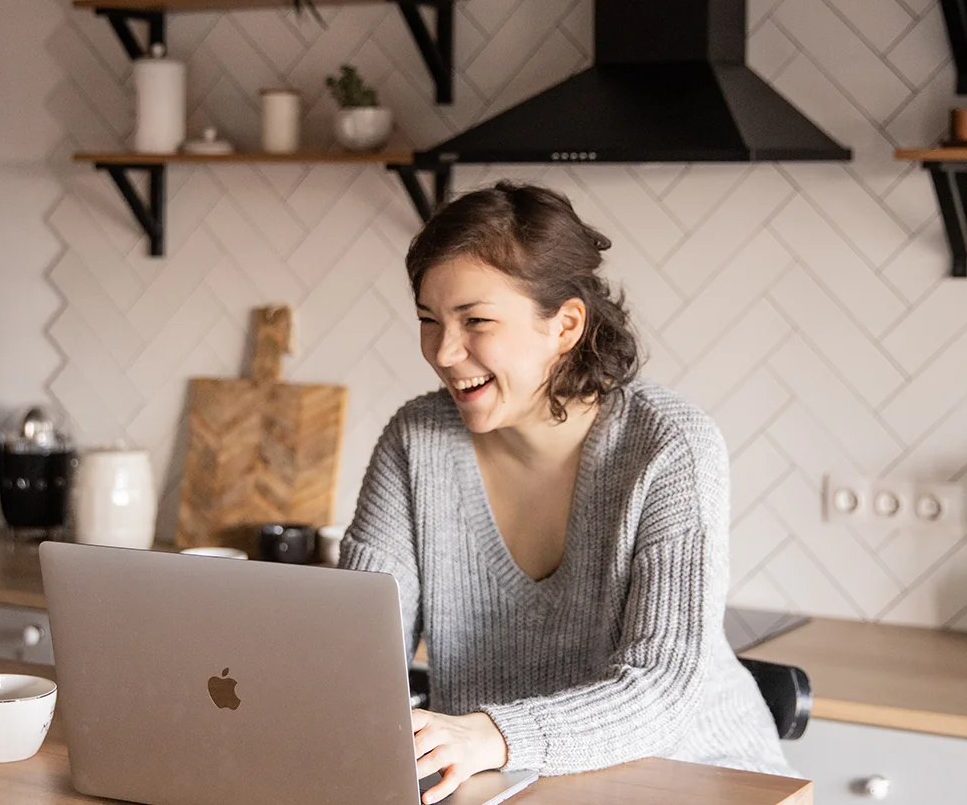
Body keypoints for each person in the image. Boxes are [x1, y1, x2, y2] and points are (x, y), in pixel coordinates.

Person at [338, 182, 792, 800]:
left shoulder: (668, 447)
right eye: (428, 320)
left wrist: (492, 735)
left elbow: (659, 690)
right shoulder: (416, 440)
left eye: (476, 321)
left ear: (566, 324)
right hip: (506, 785)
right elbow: (356, 654)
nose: (444, 352)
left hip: (698, 779)